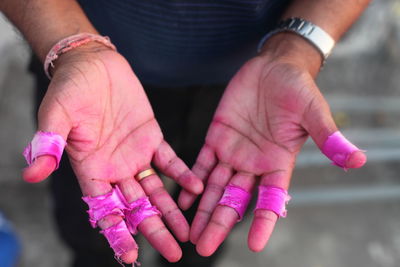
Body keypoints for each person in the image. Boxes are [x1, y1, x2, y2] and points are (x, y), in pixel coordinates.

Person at [0, 0, 369, 266]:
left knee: (214, 223)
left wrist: (296, 50)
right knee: (94, 228)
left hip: (252, 98)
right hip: (94, 91)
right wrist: (74, 50)